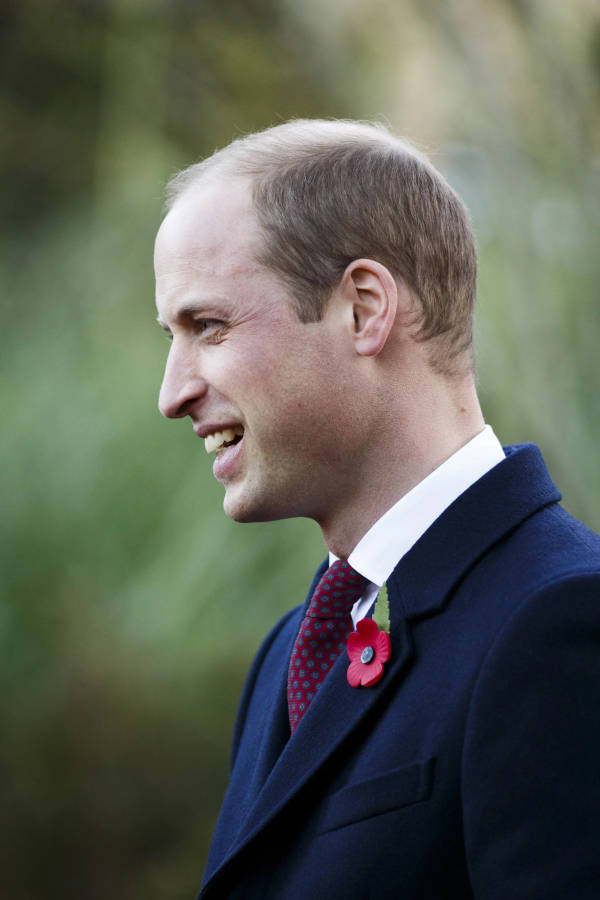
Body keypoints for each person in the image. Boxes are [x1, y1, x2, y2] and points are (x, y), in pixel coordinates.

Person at [154, 119, 600, 899]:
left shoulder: (561, 618)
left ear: (364, 309)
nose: (172, 393)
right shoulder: (287, 654)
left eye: (209, 327)